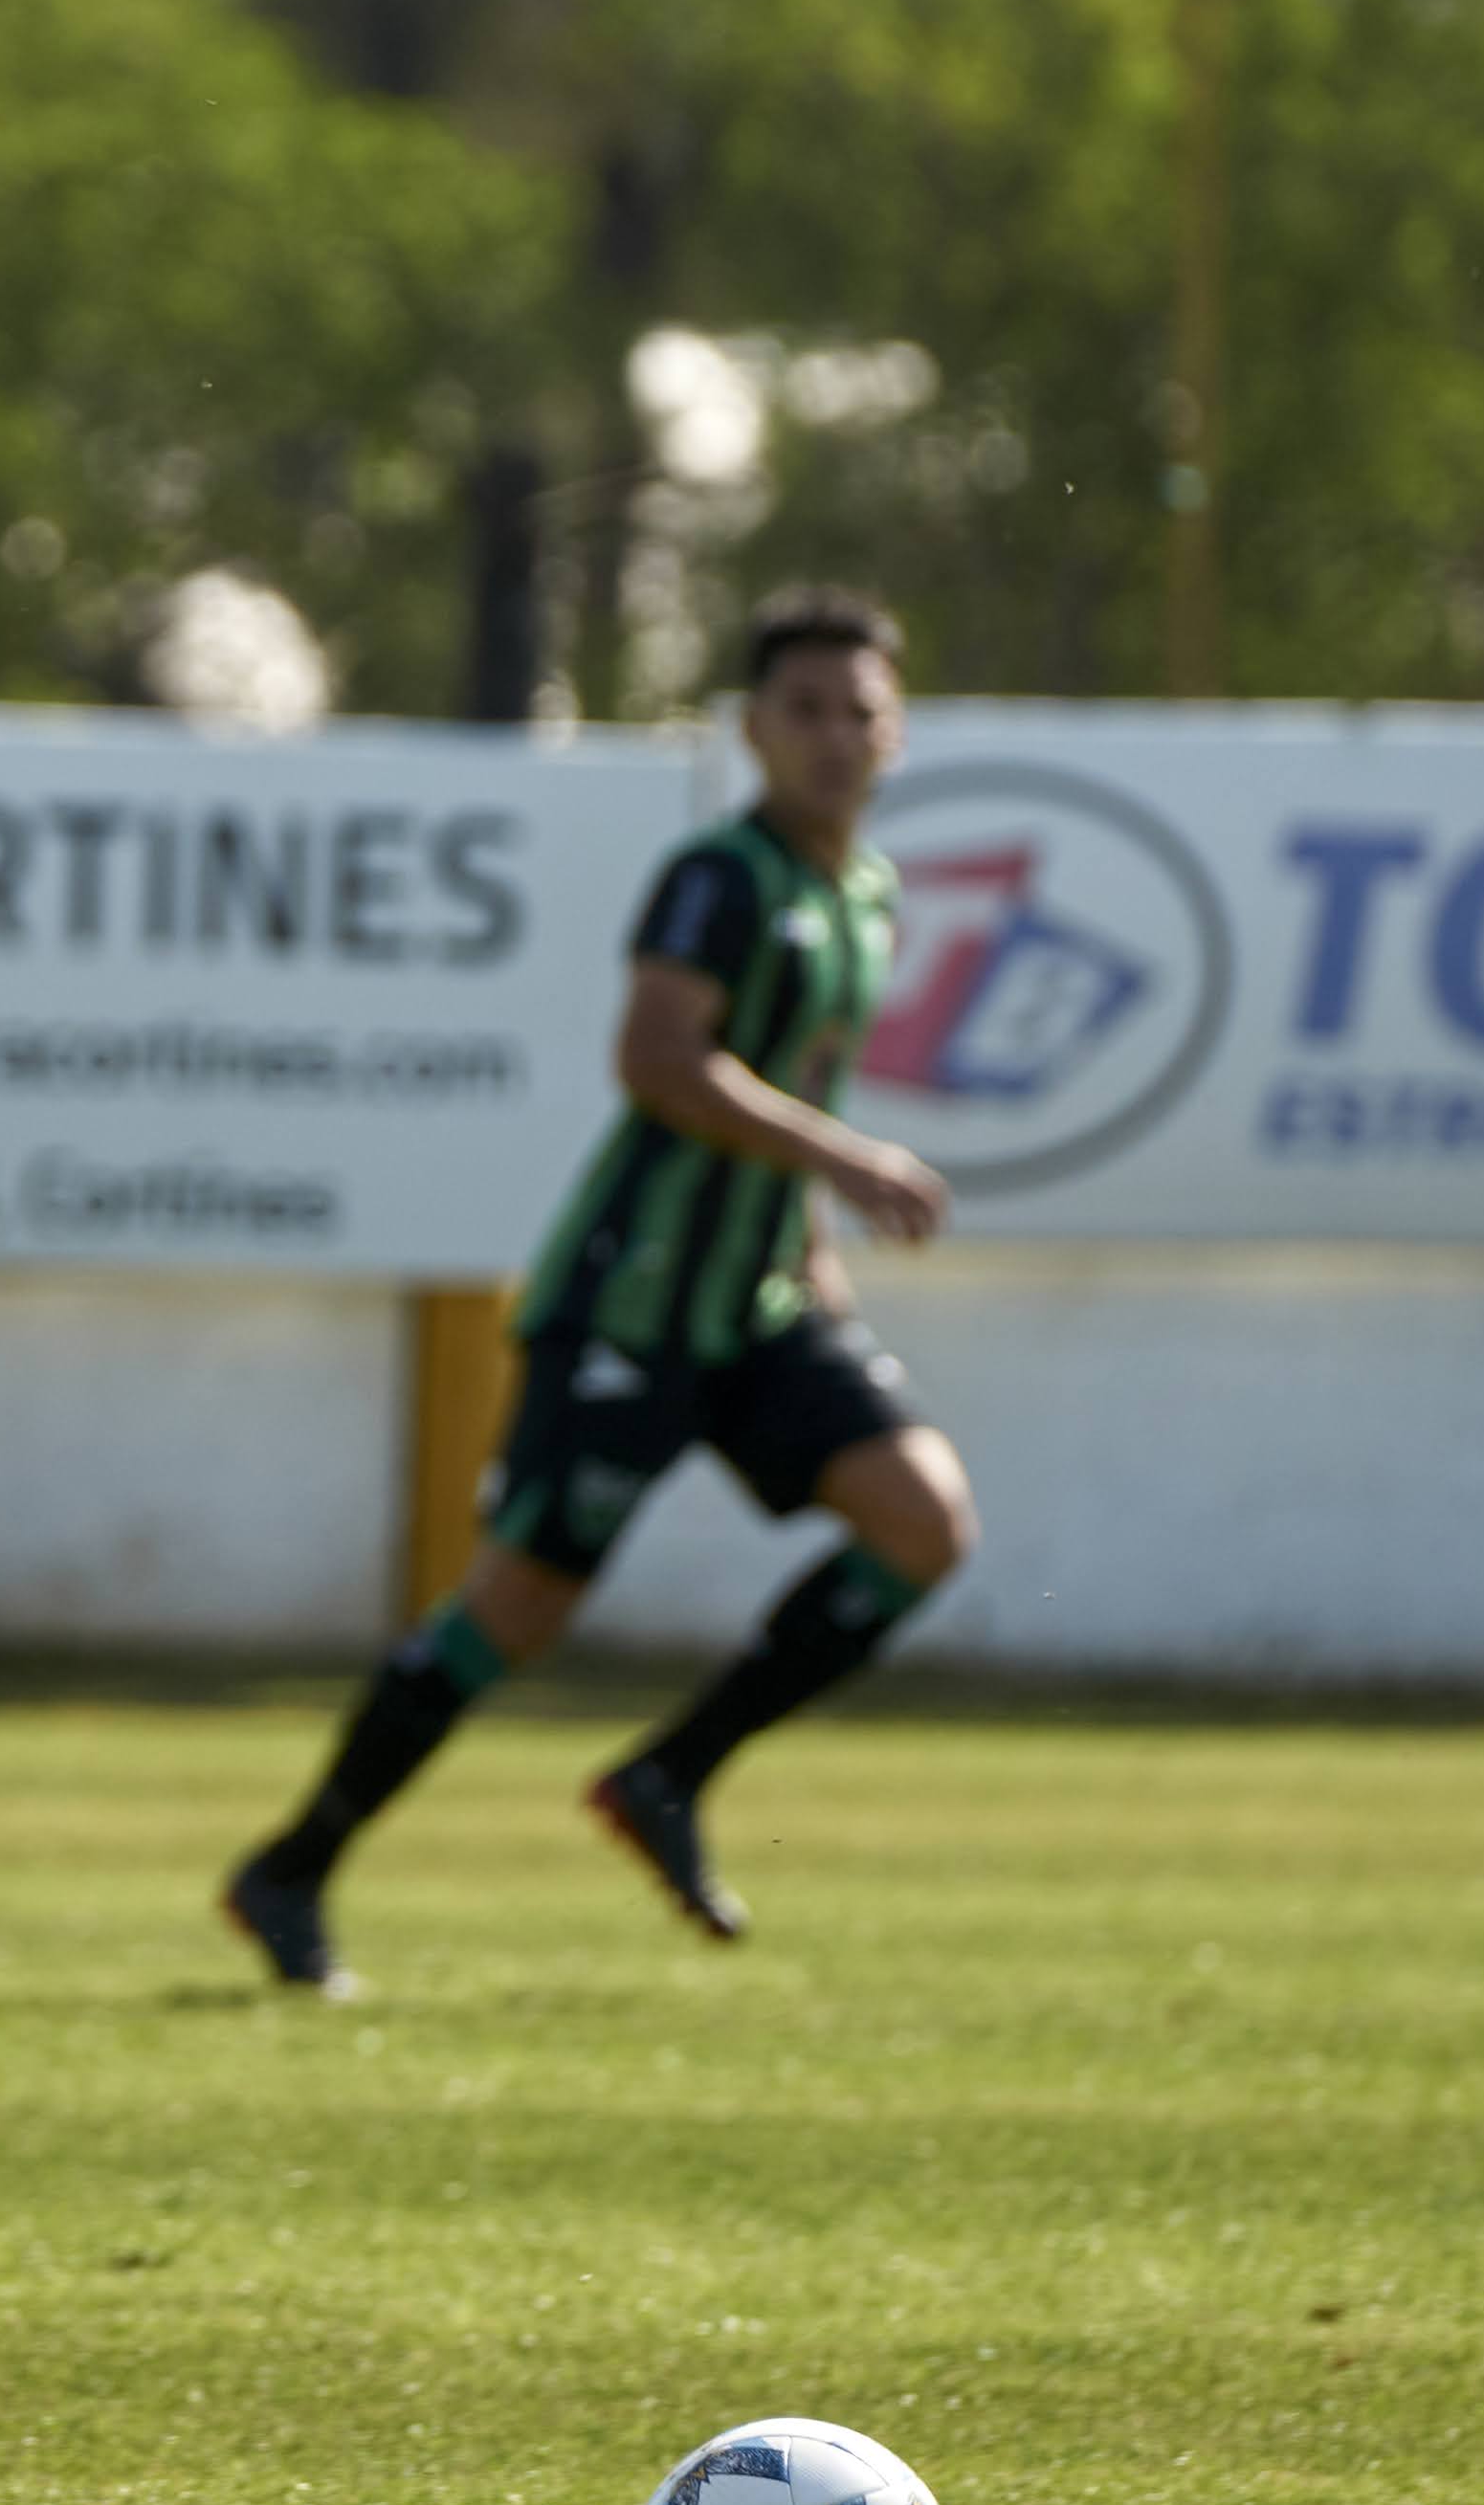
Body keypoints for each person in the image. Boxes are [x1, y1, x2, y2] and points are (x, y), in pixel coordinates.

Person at [224, 586, 979, 1990]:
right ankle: (291, 1866)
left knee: (922, 1522)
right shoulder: (719, 878)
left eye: (858, 712)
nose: (832, 736)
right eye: (803, 710)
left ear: (895, 733)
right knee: (512, 1614)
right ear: (752, 730)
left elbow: (791, 1087)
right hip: (629, 1309)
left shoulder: (864, 896)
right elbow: (658, 1061)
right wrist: (847, 1159)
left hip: (756, 1310)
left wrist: (810, 1243)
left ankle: (670, 1776)